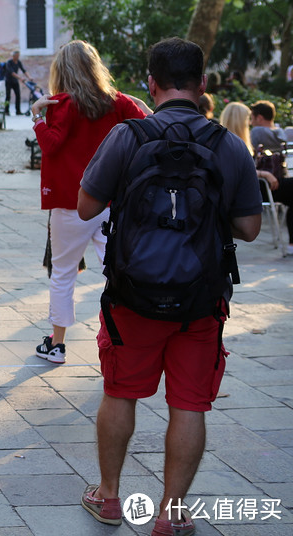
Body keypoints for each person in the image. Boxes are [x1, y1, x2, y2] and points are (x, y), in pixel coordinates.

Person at [77, 38, 261, 536]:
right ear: (202, 85)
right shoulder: (227, 145)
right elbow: (249, 229)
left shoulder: (126, 137)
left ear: (150, 83)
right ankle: (171, 514)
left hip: (132, 298)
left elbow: (86, 208)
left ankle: (110, 498)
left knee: (119, 393)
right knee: (189, 404)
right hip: (200, 302)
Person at [30, 41, 149, 364]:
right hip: (110, 202)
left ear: (62, 70)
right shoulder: (117, 102)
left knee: (64, 272)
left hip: (70, 201)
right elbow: (151, 125)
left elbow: (52, 145)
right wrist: (137, 101)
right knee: (117, 269)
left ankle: (57, 344)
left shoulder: (62, 104)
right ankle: (128, 337)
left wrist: (37, 116)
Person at [222, 102, 293, 256]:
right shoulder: (233, 142)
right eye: (247, 118)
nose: (250, 123)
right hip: (253, 188)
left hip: (257, 186)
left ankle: (291, 242)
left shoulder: (236, 141)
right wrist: (263, 174)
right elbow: (235, 171)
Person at [249, 100, 287, 174]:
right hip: (281, 174)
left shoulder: (257, 131)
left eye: (252, 118)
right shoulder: (281, 132)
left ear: (259, 118)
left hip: (263, 177)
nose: (251, 122)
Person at [3, 50, 28, 115]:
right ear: (13, 56)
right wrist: (20, 78)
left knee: (18, 95)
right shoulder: (9, 62)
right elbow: (12, 73)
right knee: (8, 96)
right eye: (16, 56)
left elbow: (23, 70)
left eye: (18, 56)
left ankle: (18, 110)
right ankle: (6, 111)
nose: (17, 57)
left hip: (15, 81)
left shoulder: (18, 62)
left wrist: (29, 77)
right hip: (8, 81)